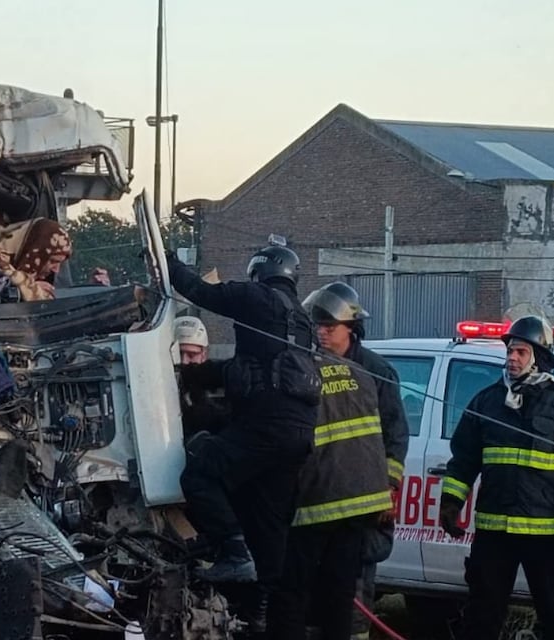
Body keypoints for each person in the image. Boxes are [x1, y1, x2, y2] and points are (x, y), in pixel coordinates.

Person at [167, 244, 320, 632]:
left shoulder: (254, 297)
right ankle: (258, 616)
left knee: (199, 471)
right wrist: (198, 375)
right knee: (269, 524)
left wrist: (167, 262)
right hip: (298, 437)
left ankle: (233, 551)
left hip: (264, 426)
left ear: (259, 273)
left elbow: (201, 292)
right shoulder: (300, 320)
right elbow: (249, 368)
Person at [438, 315, 554, 640]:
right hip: (494, 530)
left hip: (545, 533)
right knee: (482, 617)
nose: (512, 358)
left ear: (538, 358)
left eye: (521, 352)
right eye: (510, 351)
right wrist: (450, 501)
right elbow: (464, 458)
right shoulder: (487, 401)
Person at [302, 282, 409, 640]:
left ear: (352, 328)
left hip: (363, 505)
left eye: (329, 327)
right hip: (321, 501)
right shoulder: (310, 367)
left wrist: (388, 488)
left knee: (355, 594)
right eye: (317, 326)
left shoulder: (377, 372)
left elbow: (395, 436)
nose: (321, 333)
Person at [268, 351, 393, 640]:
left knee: (291, 590)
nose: (324, 333)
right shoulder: (360, 372)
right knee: (341, 591)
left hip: (315, 502)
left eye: (328, 327)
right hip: (358, 503)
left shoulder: (296, 372)